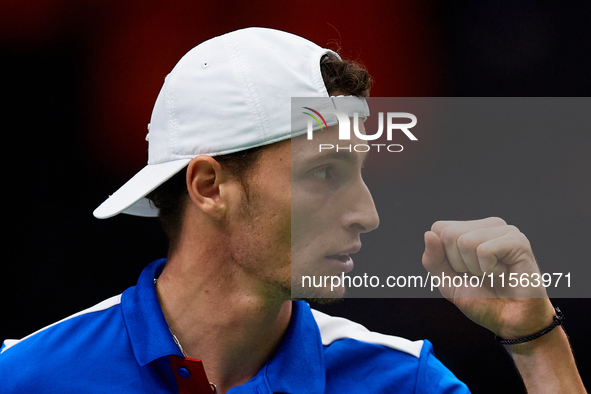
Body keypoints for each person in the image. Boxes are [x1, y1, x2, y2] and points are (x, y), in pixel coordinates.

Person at [0, 27, 585, 394]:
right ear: (208, 186)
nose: (367, 213)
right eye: (325, 174)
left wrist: (537, 343)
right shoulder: (27, 376)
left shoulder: (400, 381)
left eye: (359, 174)